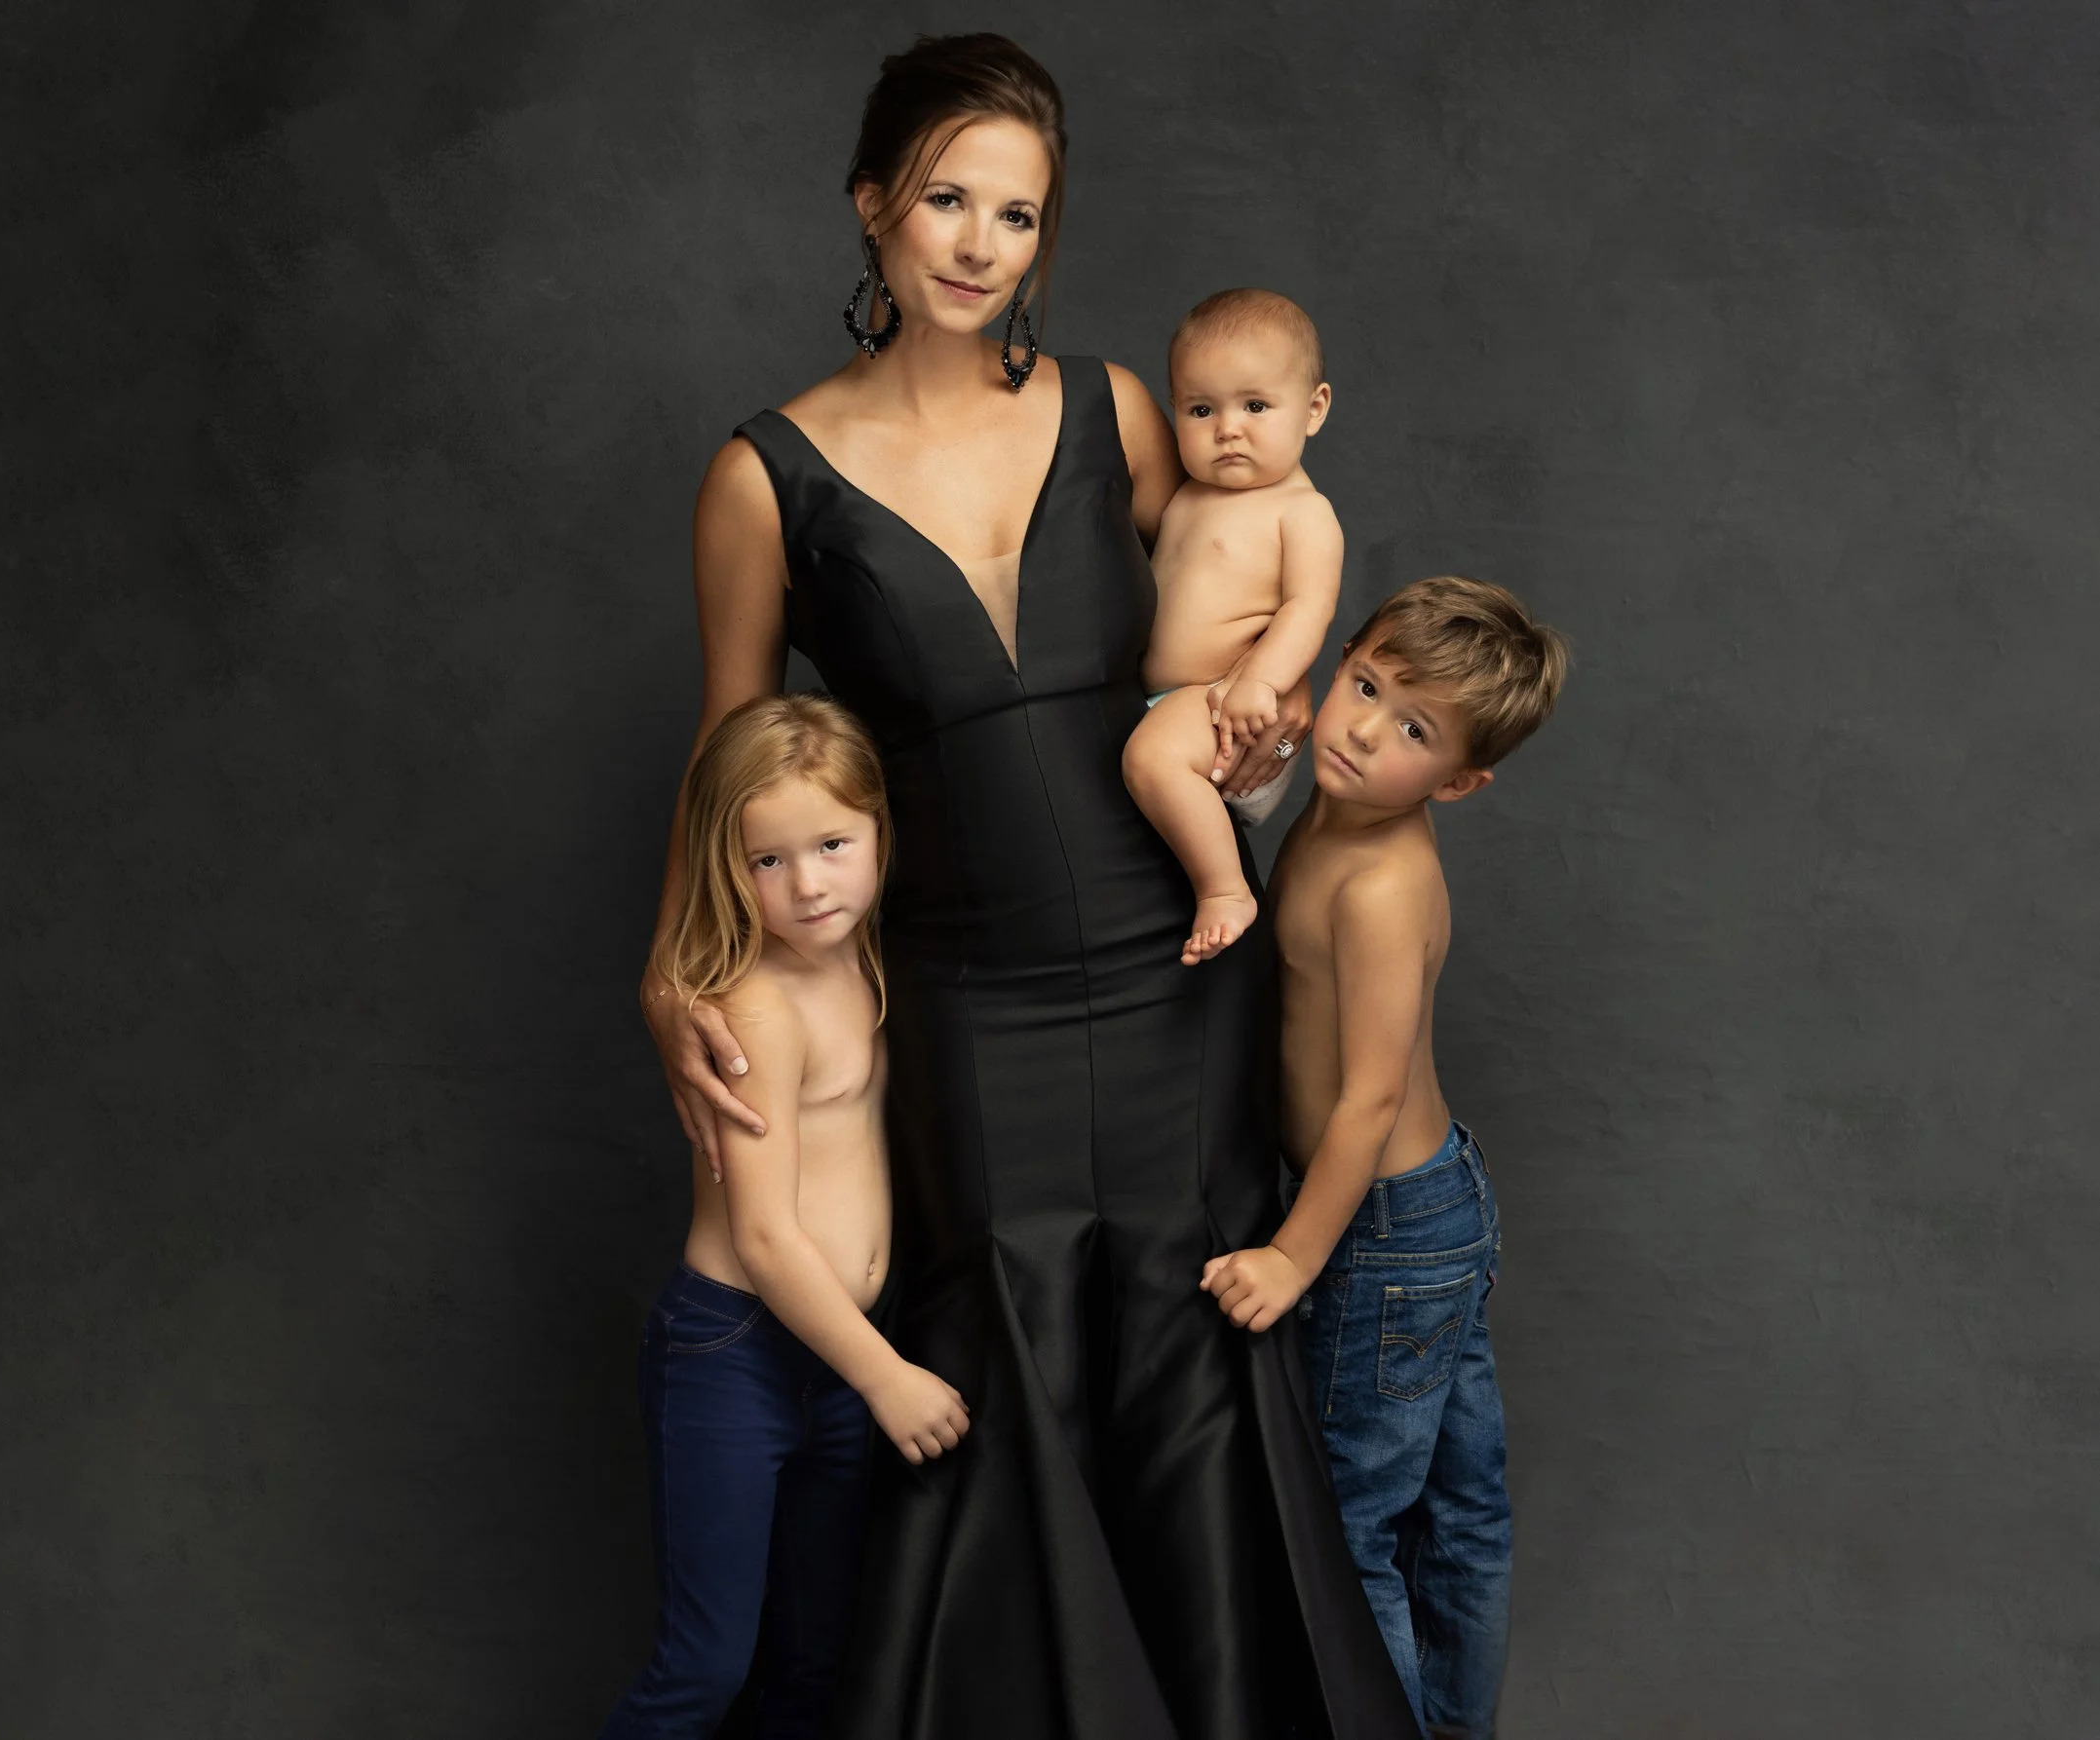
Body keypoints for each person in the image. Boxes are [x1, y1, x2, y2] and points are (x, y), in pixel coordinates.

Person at [638, 31, 1416, 1740]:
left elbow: (1204, 651)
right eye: (945, 199)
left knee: (1189, 1358)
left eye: (1019, 214)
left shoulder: (1117, 412)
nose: (981, 244)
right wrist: (667, 970)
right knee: (997, 1356)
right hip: (961, 992)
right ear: (871, 205)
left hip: (1170, 966)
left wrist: (1264, 743)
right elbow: (729, 752)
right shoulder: (765, 476)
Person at [1199, 577, 1570, 1739]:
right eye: (1364, 685)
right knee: (1462, 1514)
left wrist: (1297, 1259)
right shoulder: (1329, 810)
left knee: (1350, 1527)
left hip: (1385, 1233)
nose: (1362, 729)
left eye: (1414, 729)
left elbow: (1363, 1100)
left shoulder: (1382, 881)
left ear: (1458, 782)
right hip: (1433, 1213)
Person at [601, 694, 970, 1739]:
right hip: (739, 1354)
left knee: (816, 1660)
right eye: (768, 861)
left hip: (839, 1355)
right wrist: (884, 1373)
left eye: (832, 844)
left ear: (880, 835)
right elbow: (763, 1235)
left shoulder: (870, 957)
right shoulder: (759, 1005)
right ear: (727, 866)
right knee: (706, 1666)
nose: (807, 883)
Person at [1123, 289, 1342, 965]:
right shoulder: (1186, 495)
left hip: (1230, 711)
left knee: (1149, 760)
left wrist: (1262, 683)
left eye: (1254, 406)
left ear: (1312, 410)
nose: (1227, 429)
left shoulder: (1301, 513)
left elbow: (1308, 607)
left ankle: (1224, 891)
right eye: (1200, 409)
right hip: (1170, 705)